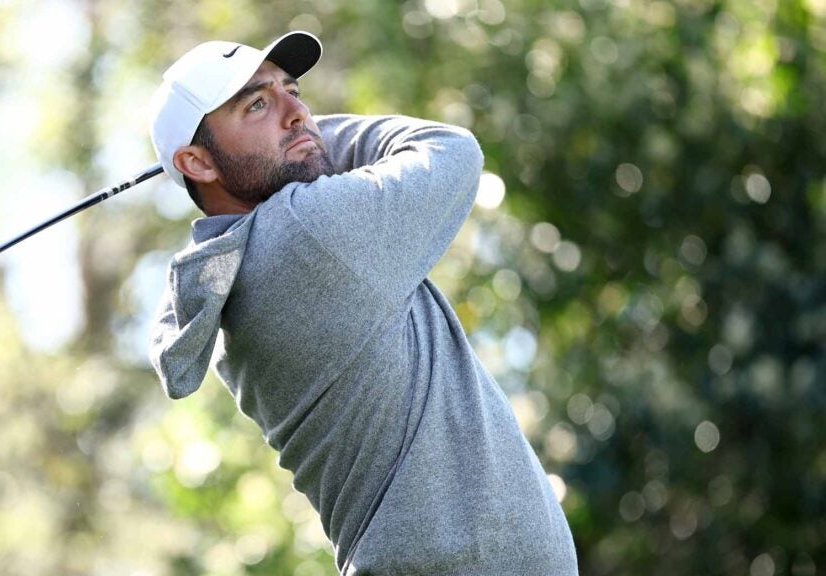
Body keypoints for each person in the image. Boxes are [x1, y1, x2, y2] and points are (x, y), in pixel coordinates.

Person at [147, 31, 578, 575]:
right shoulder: (308, 230)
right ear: (199, 162)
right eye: (257, 104)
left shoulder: (236, 274)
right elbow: (450, 149)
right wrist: (311, 139)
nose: (299, 113)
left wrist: (290, 135)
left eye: (294, 92)